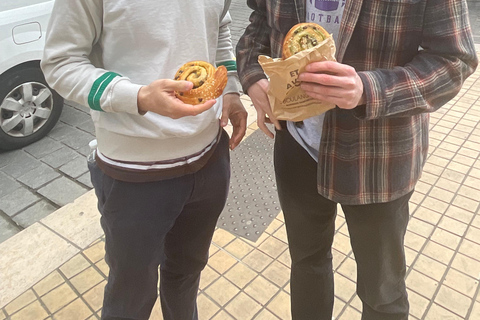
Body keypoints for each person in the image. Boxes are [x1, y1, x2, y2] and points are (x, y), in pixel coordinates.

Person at [236, 0, 478, 319]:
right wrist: (253, 75)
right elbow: (260, 23)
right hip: (297, 143)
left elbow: (454, 60)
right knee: (307, 264)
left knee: (382, 293)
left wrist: (367, 90)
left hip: (379, 155)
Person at [41, 0, 247, 319]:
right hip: (133, 175)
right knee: (131, 295)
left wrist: (230, 89)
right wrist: (138, 97)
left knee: (186, 277)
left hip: (210, 159)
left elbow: (219, 26)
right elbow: (60, 63)